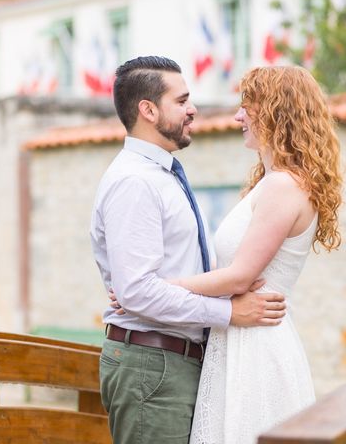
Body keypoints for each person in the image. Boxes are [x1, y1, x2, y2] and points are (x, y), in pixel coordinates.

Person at [90, 56, 287, 444]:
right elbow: (138, 292)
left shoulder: (160, 176)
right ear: (148, 110)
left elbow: (146, 285)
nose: (192, 109)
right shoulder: (136, 183)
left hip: (169, 363)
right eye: (181, 101)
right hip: (153, 366)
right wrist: (228, 312)